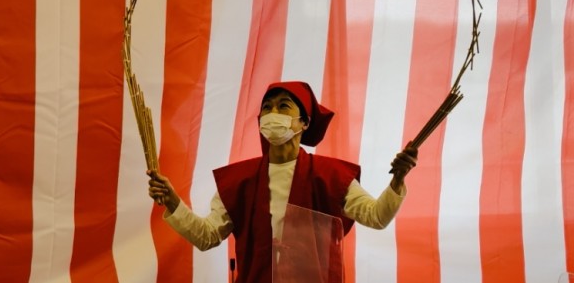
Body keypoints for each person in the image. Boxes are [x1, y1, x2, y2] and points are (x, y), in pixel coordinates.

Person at [148, 81, 418, 282]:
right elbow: (207, 236)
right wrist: (173, 202)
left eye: (283, 106)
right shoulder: (239, 180)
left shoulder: (330, 176)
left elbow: (376, 217)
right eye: (267, 107)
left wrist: (398, 180)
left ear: (304, 122)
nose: (272, 112)